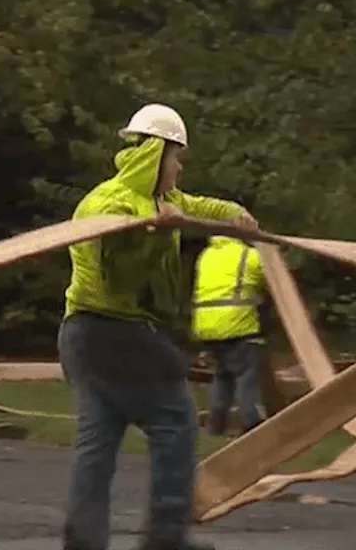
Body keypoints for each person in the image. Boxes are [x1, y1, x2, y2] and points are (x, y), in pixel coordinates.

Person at [58, 103, 257, 550]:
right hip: (114, 332)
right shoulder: (110, 205)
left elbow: (198, 206)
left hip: (82, 336)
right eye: (176, 156)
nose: (181, 167)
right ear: (155, 153)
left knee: (98, 441)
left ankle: (82, 542)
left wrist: (234, 213)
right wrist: (156, 235)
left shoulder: (161, 201)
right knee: (177, 423)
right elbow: (120, 278)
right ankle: (166, 538)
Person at [191, 235, 270, 436]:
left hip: (208, 326)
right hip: (238, 324)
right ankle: (252, 425)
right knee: (246, 377)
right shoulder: (250, 255)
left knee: (222, 376)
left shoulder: (206, 254)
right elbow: (270, 281)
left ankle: (216, 426)